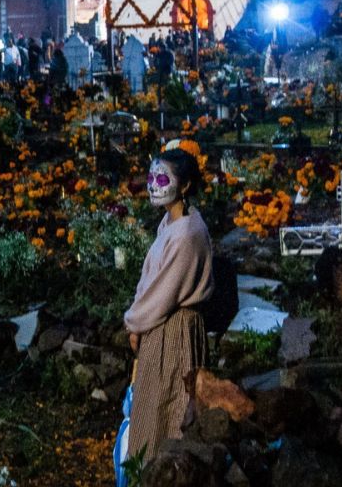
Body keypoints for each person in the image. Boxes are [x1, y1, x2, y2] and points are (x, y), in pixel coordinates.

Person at [124, 148, 214, 462]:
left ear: (185, 186)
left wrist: (134, 322)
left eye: (162, 179)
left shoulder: (187, 234)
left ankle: (162, 474)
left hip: (173, 331)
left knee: (169, 409)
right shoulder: (170, 224)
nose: (153, 185)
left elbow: (164, 292)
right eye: (151, 178)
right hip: (160, 327)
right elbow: (151, 280)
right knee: (153, 407)